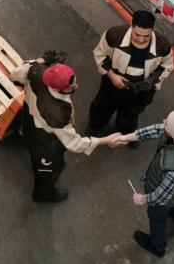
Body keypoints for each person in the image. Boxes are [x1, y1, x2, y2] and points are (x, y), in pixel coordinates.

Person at [11, 52, 122, 203]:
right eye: (71, 87)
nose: (76, 86)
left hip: (29, 124)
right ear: (57, 89)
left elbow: (15, 74)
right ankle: (43, 194)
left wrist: (41, 60)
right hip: (46, 143)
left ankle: (36, 166)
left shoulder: (36, 70)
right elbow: (75, 143)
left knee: (33, 151)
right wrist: (104, 140)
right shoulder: (56, 115)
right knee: (49, 170)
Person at [120, 110, 174, 258]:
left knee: (157, 218)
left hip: (168, 196)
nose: (164, 121)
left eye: (167, 123)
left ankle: (157, 246)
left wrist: (143, 198)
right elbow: (158, 129)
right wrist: (125, 138)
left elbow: (161, 197)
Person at [86, 10, 174, 146]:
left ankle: (127, 134)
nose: (141, 39)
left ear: (152, 29)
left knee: (131, 115)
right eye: (137, 34)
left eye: (146, 36)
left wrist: (153, 80)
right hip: (112, 85)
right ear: (131, 26)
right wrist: (112, 75)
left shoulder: (163, 46)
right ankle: (95, 127)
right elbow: (100, 55)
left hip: (140, 90)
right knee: (102, 106)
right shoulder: (114, 36)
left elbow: (167, 65)